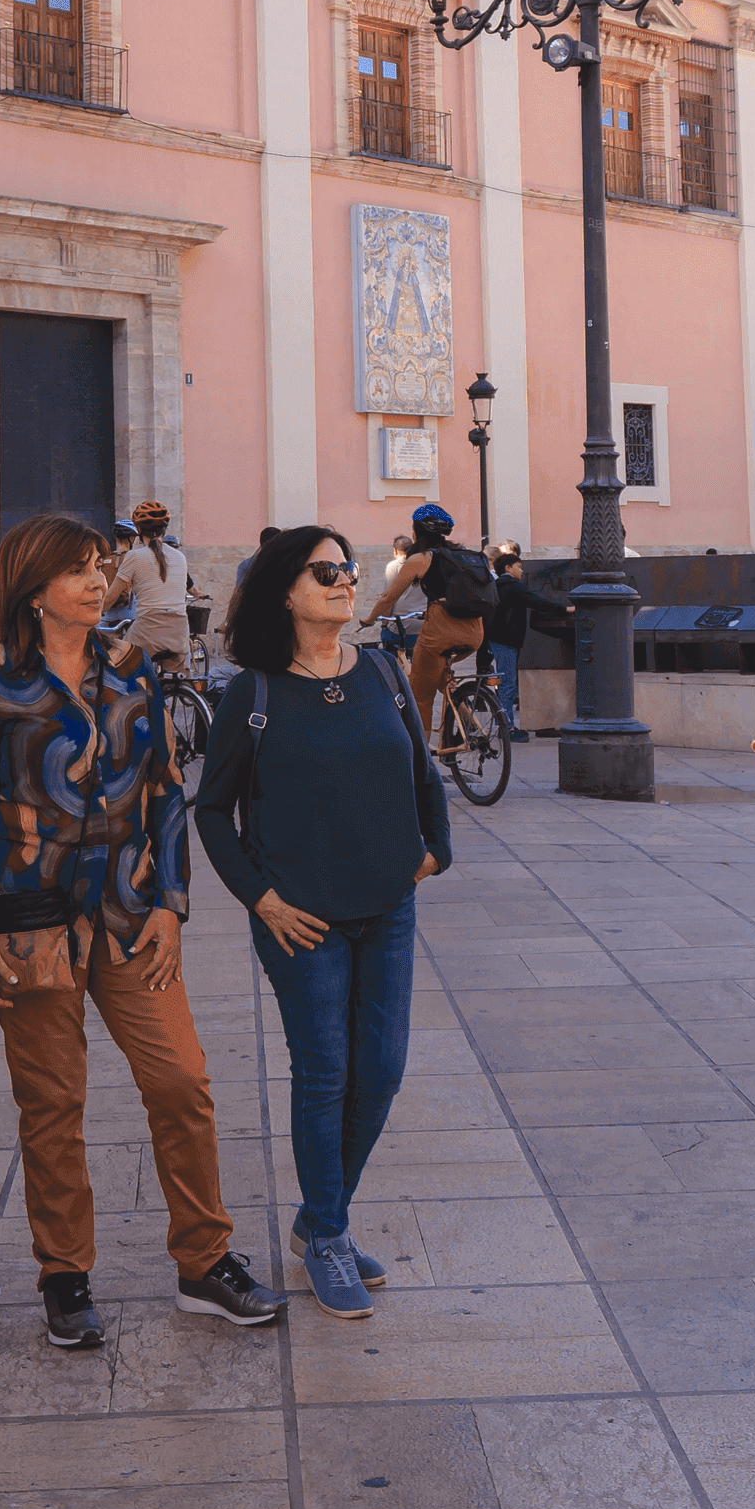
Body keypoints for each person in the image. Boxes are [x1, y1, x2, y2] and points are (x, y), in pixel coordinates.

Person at [0, 512, 281, 1351]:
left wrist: (172, 902)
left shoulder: (133, 670)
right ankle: (65, 1276)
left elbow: (167, 790)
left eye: (102, 567)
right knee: (52, 1104)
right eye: (79, 571)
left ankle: (205, 1261)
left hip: (132, 914)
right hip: (32, 923)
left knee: (181, 1081)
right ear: (32, 588)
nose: (99, 582)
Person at [192, 524, 448, 1321]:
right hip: (301, 920)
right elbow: (210, 811)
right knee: (326, 1070)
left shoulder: (379, 670)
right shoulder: (254, 692)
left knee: (384, 1068)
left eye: (349, 569)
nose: (346, 581)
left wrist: (435, 847)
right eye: (326, 570)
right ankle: (329, 1233)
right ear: (285, 593)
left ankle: (319, 1219)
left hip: (388, 906)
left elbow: (418, 763)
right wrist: (261, 900)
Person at [373, 503, 492, 732]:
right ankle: (464, 724)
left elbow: (389, 597)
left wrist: (368, 619)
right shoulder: (463, 556)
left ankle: (423, 759)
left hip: (439, 633)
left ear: (417, 531)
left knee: (421, 697)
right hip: (474, 633)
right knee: (441, 679)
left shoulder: (421, 558)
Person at [123, 501, 193, 670]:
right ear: (164, 530)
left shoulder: (134, 556)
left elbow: (111, 596)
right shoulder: (180, 557)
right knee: (177, 678)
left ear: (138, 530)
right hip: (179, 629)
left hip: (148, 630)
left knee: (119, 663)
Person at [482, 542, 540, 731]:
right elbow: (536, 601)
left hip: (498, 639)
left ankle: (505, 724)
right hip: (505, 640)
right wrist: (564, 608)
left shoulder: (497, 585)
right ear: (508, 568)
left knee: (506, 682)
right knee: (507, 684)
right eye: (519, 567)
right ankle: (507, 727)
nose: (522, 571)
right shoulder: (512, 586)